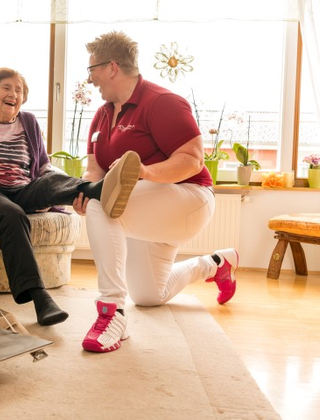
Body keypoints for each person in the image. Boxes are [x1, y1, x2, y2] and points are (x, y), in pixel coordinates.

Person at [72, 31, 239, 352]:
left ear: (112, 67)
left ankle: (112, 313)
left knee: (102, 203)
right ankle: (217, 263)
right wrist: (84, 188)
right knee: (150, 296)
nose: (90, 79)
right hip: (143, 208)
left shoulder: (162, 102)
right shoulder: (102, 115)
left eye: (92, 70)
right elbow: (95, 170)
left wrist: (145, 174)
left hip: (187, 200)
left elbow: (191, 161)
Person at [0, 67, 141, 327]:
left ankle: (97, 191)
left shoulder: (29, 122)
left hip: (21, 188)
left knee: (50, 179)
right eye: (7, 88)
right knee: (12, 214)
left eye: (19, 90)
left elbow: (43, 167)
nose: (13, 94)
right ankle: (41, 299)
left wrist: (61, 193)